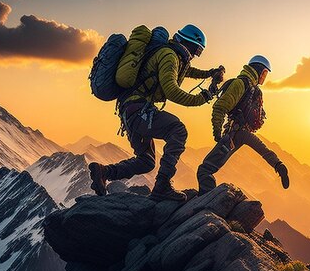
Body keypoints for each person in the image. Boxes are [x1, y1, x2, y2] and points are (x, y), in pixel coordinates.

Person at [89, 24, 224, 201]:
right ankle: (162, 185)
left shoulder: (170, 54)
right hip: (139, 110)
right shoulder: (169, 56)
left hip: (130, 110)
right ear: (188, 43)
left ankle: (104, 172)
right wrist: (205, 96)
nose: (195, 55)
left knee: (146, 161)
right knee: (178, 130)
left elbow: (186, 71)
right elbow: (171, 91)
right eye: (196, 50)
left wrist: (210, 73)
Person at [196, 55, 289, 195]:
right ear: (259, 70)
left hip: (233, 134)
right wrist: (277, 164)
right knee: (263, 150)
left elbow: (219, 107)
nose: (264, 77)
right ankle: (279, 165)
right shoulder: (251, 88)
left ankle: (206, 202)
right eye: (264, 73)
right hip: (245, 134)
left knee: (205, 170)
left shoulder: (241, 83)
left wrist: (217, 134)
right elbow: (262, 147)